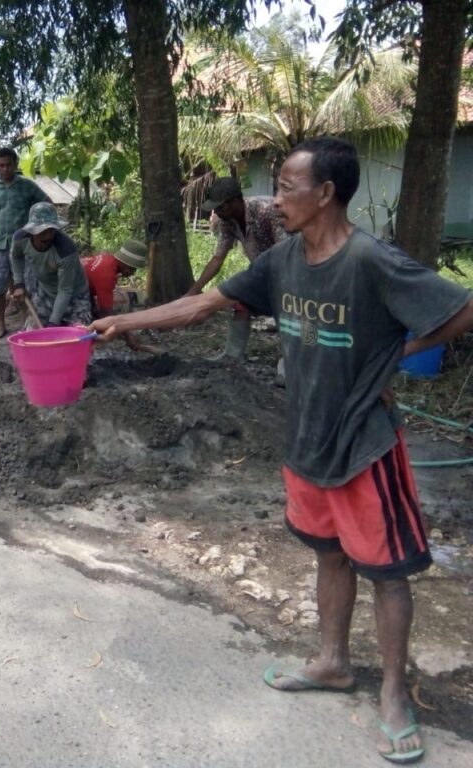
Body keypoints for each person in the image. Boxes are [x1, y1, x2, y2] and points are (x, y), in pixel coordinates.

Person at [91, 136, 473, 766]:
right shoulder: (282, 259)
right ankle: (331, 663)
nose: (277, 196)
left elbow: (458, 307)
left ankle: (397, 695)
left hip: (363, 445)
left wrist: (393, 358)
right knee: (329, 554)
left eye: (290, 186)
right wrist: (126, 322)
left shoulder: (372, 260)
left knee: (387, 572)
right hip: (306, 439)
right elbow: (203, 306)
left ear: (325, 193)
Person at [189, 176, 287, 360]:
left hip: (287, 272)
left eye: (220, 207)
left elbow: (286, 252)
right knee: (240, 303)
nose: (217, 212)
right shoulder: (228, 221)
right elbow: (218, 258)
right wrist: (193, 291)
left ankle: (288, 363)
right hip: (262, 272)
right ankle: (232, 356)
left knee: (286, 312)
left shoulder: (268, 211)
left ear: (235, 201)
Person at [0, 147, 50, 337]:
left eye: (9, 165)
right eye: (1, 165)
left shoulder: (27, 186)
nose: (5, 169)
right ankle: (0, 325)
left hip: (23, 244)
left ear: (16, 165)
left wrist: (40, 229)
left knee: (26, 286)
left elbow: (46, 203)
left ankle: (27, 322)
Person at [10, 202, 92, 328]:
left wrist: (53, 323)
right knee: (33, 334)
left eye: (51, 231)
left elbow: (65, 290)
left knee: (78, 335)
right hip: (45, 290)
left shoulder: (65, 249)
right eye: (42, 232)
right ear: (32, 230)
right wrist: (19, 284)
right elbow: (16, 256)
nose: (48, 236)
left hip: (75, 295)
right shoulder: (20, 239)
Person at [82, 238, 148, 318]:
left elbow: (90, 291)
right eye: (132, 268)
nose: (132, 273)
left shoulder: (107, 259)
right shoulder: (107, 275)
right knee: (84, 325)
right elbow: (106, 312)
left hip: (77, 289)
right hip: (69, 292)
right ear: (125, 263)